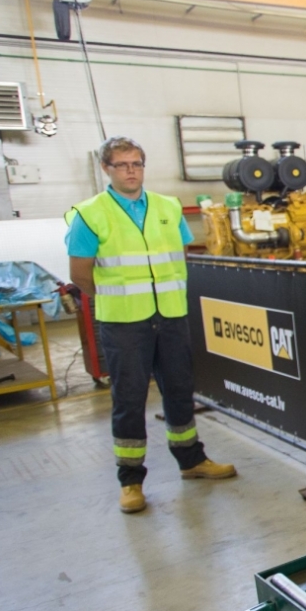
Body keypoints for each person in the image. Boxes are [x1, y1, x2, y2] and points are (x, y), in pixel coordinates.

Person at [67, 137, 236, 513]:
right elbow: (80, 274)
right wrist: (119, 295)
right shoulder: (90, 214)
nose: (131, 171)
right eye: (122, 165)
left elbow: (179, 256)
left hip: (171, 316)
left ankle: (191, 460)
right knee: (128, 399)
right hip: (125, 322)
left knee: (179, 390)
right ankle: (131, 482)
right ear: (106, 169)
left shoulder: (167, 207)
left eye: (137, 164)